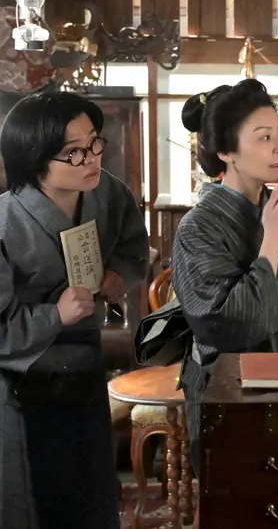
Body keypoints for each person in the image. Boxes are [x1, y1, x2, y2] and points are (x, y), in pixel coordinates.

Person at [0, 92, 149, 529]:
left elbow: (133, 248)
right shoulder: (5, 223)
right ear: (34, 160)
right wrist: (55, 315)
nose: (92, 158)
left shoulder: (108, 192)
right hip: (24, 385)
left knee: (94, 492)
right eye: (74, 152)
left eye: (94, 142)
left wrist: (118, 276)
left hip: (85, 368)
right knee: (39, 501)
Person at [172, 79, 278, 475]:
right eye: (264, 137)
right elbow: (228, 325)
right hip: (227, 391)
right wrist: (271, 236)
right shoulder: (198, 228)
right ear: (226, 152)